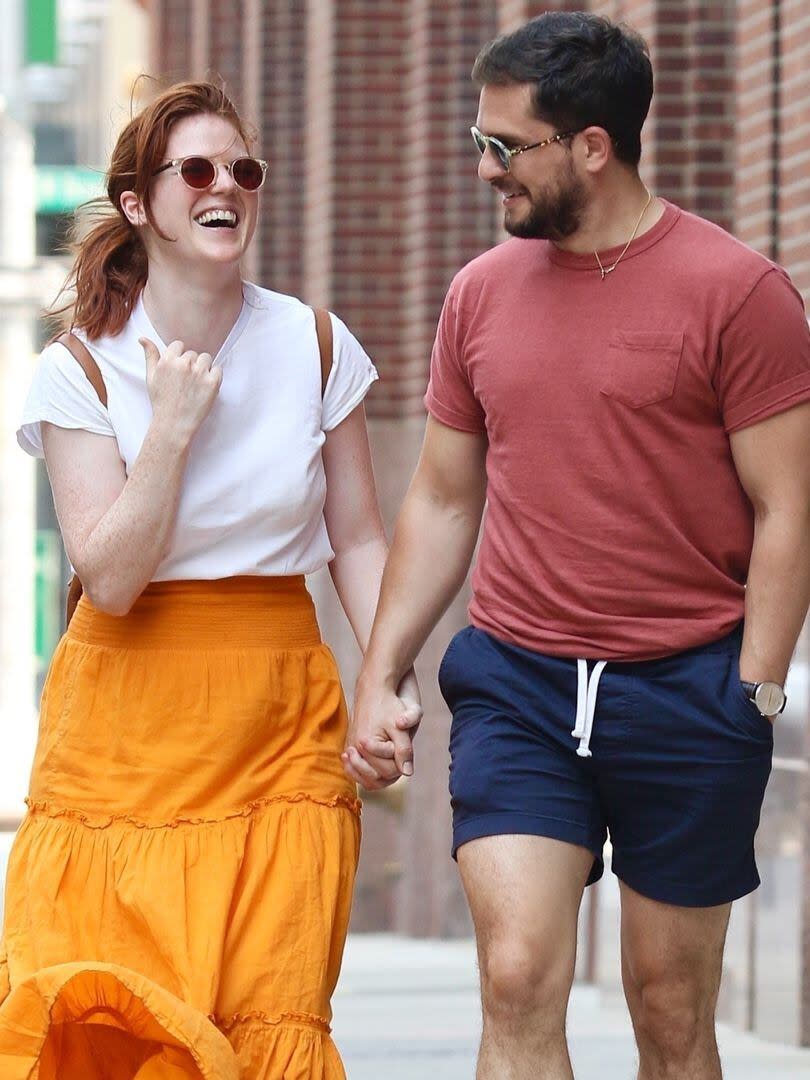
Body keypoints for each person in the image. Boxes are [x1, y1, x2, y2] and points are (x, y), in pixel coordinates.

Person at [347, 12, 810, 1080]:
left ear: (592, 147)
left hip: (691, 690)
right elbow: (444, 499)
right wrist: (380, 674)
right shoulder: (479, 296)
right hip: (520, 685)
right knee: (515, 976)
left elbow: (789, 506)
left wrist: (758, 692)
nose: (484, 168)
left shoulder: (738, 294)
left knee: (669, 1007)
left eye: (507, 148)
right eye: (480, 139)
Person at [0, 80, 418, 1079]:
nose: (225, 185)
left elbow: (358, 539)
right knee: (119, 1020)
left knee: (271, 1013)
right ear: (141, 204)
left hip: (279, 720)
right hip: (123, 734)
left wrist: (382, 680)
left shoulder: (314, 344)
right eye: (197, 169)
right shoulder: (82, 369)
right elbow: (108, 581)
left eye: (243, 169)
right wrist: (173, 433)